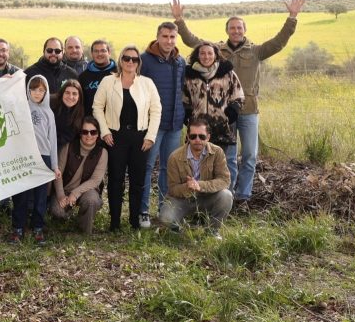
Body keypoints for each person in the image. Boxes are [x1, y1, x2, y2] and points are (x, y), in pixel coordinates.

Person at [172, 0, 305, 202]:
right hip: (224, 113)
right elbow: (193, 41)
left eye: (239, 28)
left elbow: (279, 43)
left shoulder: (256, 51)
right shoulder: (217, 50)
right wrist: (179, 20)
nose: (236, 31)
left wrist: (292, 17)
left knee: (250, 155)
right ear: (227, 30)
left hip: (249, 110)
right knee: (229, 157)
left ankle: (244, 195)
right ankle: (228, 196)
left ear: (244, 30)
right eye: (232, 28)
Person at [93, 44, 161, 231]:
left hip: (140, 138)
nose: (130, 62)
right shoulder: (108, 81)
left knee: (138, 181)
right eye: (127, 58)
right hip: (115, 136)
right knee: (116, 180)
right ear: (121, 60)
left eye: (134, 59)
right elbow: (97, 107)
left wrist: (151, 136)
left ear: (139, 62)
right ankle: (114, 222)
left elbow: (156, 110)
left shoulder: (147, 83)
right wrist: (105, 131)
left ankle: (134, 221)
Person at [139, 22, 186, 228]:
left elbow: (183, 89)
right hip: (152, 125)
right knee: (147, 167)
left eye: (172, 37)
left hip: (174, 124)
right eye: (165, 36)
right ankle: (142, 211)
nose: (169, 40)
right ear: (157, 37)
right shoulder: (144, 60)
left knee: (169, 168)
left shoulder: (180, 61)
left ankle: (164, 210)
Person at [157, 118, 233, 237]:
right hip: (182, 199)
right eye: (193, 136)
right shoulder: (174, 157)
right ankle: (177, 231)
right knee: (165, 218)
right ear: (188, 136)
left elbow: (224, 180)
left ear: (208, 137)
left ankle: (212, 231)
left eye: (201, 136)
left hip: (207, 196)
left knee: (226, 196)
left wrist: (200, 185)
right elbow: (172, 189)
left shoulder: (217, 152)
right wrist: (188, 187)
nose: (197, 140)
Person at [9, 75, 61, 245]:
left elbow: (52, 140)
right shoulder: (20, 108)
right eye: (33, 89)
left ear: (46, 92)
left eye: (41, 90)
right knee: (21, 195)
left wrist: (54, 165)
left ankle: (38, 226)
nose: (37, 93)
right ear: (28, 90)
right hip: (24, 156)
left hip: (43, 157)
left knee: (40, 196)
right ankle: (18, 227)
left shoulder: (49, 113)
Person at [182, 43, 245, 153]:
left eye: (210, 53)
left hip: (221, 129)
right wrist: (187, 114)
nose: (206, 56)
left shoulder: (227, 73)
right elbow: (183, 98)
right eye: (202, 53)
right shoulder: (189, 75)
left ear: (216, 55)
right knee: (196, 161)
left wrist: (231, 113)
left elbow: (239, 96)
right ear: (197, 55)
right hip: (197, 130)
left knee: (218, 161)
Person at [49, 117, 107, 234]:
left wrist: (75, 193)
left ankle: (85, 230)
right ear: (80, 133)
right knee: (57, 211)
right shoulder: (68, 147)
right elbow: (58, 172)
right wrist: (60, 195)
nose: (89, 135)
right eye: (85, 132)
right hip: (66, 190)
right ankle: (67, 216)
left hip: (87, 191)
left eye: (93, 132)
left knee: (92, 201)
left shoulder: (102, 152)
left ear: (98, 134)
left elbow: (95, 180)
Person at [78, 39, 117, 112]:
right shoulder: (83, 77)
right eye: (96, 51)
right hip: (91, 118)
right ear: (92, 54)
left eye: (103, 51)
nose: (99, 54)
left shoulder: (119, 73)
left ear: (109, 53)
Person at [51, 78, 86, 151]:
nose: (70, 97)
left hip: (59, 147)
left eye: (74, 94)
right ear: (62, 93)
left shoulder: (80, 114)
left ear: (79, 97)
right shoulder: (51, 103)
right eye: (67, 93)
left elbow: (67, 137)